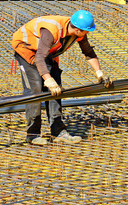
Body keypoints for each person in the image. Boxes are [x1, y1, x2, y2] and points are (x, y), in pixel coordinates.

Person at [12, 10, 112, 145]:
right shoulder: (52, 31)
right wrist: (48, 80)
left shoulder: (77, 32)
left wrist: (99, 73)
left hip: (47, 52)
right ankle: (32, 134)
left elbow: (88, 52)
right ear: (77, 29)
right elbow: (39, 58)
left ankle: (58, 131)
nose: (87, 33)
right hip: (27, 49)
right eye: (86, 31)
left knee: (56, 89)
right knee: (35, 89)